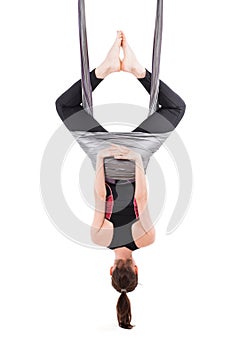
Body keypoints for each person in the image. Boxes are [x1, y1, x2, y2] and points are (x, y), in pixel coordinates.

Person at [55, 30, 186, 329]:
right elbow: (103, 196)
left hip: (137, 158)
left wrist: (138, 159)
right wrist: (101, 157)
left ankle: (138, 71)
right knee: (67, 107)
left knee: (175, 109)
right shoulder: (100, 238)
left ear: (136, 269)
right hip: (105, 158)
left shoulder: (146, 240)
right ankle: (105, 70)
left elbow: (140, 198)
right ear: (110, 270)